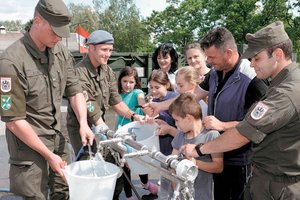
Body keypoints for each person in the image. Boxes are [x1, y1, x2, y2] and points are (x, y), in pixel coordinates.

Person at [181, 20, 300, 200]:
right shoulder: (282, 84)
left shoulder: (286, 92)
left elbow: (243, 133)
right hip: (266, 179)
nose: (252, 64)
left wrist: (199, 149)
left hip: (278, 186)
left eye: (257, 58)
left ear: (277, 54)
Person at [146, 27, 268, 200]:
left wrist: (222, 125)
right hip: (214, 152)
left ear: (228, 52)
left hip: (238, 159)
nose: (208, 62)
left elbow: (260, 123)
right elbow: (191, 96)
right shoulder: (216, 72)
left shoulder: (252, 79)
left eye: (211, 57)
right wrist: (161, 106)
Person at [0, 0, 94, 199]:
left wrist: (84, 123)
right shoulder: (11, 62)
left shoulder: (60, 52)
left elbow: (75, 91)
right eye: (55, 31)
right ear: (37, 21)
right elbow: (14, 122)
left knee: (63, 193)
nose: (59, 37)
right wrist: (49, 156)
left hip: (57, 142)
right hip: (28, 151)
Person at [66, 30, 145, 200]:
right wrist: (102, 126)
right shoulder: (79, 72)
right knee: (89, 166)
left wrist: (134, 116)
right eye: (104, 49)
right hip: (82, 127)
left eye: (110, 50)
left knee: (114, 164)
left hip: (100, 126)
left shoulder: (107, 71)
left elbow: (116, 101)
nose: (108, 54)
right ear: (91, 48)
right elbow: (89, 104)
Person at [169, 93, 223, 200]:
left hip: (201, 195)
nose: (175, 124)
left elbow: (218, 167)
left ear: (188, 118)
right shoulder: (180, 135)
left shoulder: (211, 135)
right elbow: (171, 165)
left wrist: (195, 163)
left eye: (177, 120)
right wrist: (176, 190)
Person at [116, 66, 158, 199]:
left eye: (131, 82)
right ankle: (129, 196)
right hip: (121, 136)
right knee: (125, 167)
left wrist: (147, 109)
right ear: (120, 81)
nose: (128, 85)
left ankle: (145, 184)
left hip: (136, 136)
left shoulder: (137, 92)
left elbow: (142, 100)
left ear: (136, 83)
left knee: (140, 162)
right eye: (125, 81)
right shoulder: (117, 96)